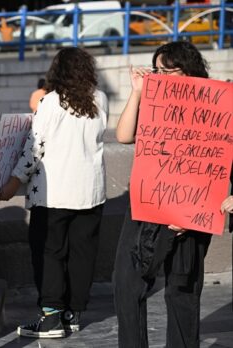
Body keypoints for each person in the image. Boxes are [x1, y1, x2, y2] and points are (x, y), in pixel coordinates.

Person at [0, 47, 108, 338]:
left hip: (55, 193)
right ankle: (73, 313)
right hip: (90, 191)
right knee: (82, 254)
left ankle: (50, 317)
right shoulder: (100, 99)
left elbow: (35, 146)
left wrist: (13, 181)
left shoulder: (52, 101)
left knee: (49, 254)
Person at [113, 41, 213, 348]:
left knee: (181, 290)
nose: (162, 77)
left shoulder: (213, 106)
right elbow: (124, 135)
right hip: (147, 205)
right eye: (158, 70)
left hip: (191, 210)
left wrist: (191, 213)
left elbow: (218, 163)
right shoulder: (155, 103)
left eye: (169, 70)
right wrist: (138, 91)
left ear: (189, 71)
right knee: (126, 284)